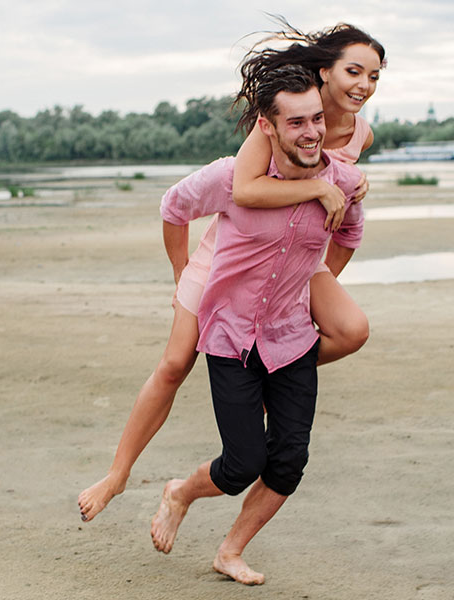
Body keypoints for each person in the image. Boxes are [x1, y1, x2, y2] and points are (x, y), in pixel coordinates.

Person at [78, 21, 385, 523]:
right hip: (234, 252)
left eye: (374, 76)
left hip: (291, 256)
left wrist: (314, 271)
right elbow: (244, 192)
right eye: (354, 71)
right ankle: (118, 473)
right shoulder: (279, 118)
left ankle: (264, 371)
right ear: (323, 72)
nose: (364, 85)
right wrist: (182, 272)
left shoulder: (359, 132)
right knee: (176, 363)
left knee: (351, 330)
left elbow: (340, 206)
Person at [150, 63, 364, 585]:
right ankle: (180, 492)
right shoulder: (232, 178)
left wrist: (313, 283)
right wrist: (183, 279)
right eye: (296, 123)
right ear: (268, 126)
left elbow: (350, 235)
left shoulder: (345, 181)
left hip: (291, 340)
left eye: (316, 118)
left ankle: (230, 550)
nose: (312, 131)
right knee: (242, 463)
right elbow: (173, 206)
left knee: (289, 461)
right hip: (230, 337)